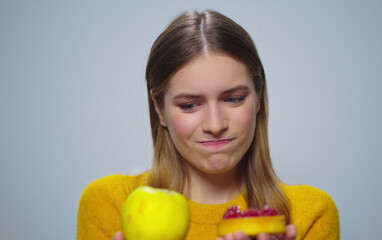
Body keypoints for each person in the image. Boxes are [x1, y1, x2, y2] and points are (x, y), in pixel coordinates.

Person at [77, 10, 339, 240]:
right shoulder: (110, 203)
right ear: (160, 109)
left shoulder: (311, 213)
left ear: (259, 98)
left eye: (233, 99)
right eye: (190, 105)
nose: (215, 125)